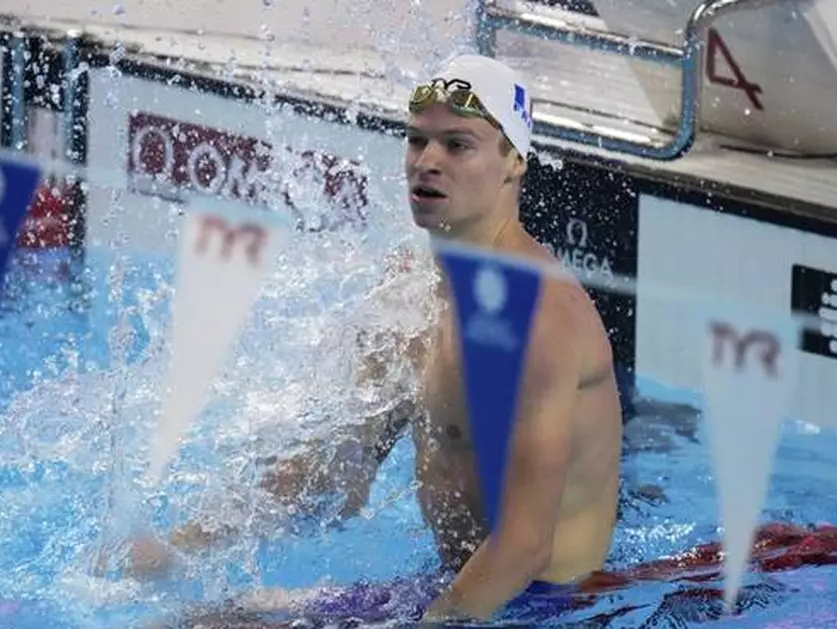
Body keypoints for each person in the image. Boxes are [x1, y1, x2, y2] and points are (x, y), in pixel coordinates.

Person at [119, 53, 623, 626]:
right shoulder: (410, 291)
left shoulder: (538, 318)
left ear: (513, 161)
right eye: (417, 141)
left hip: (545, 609)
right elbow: (335, 471)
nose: (427, 162)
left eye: (458, 145)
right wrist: (179, 545)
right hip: (457, 588)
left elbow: (525, 545)